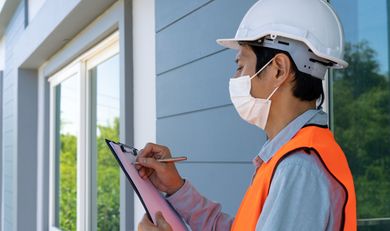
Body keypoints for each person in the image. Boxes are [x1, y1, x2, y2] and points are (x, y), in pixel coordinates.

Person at [137, 0, 357, 230]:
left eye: (240, 66)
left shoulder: (298, 169)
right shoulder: (288, 157)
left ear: (278, 69)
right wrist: (177, 188)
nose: (235, 79)